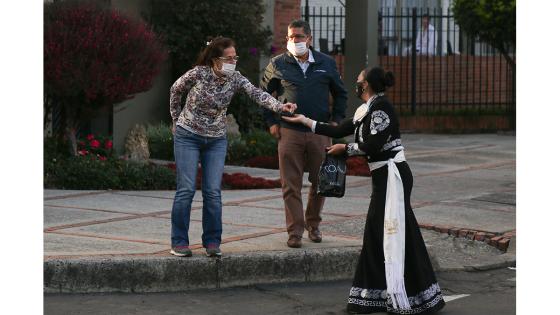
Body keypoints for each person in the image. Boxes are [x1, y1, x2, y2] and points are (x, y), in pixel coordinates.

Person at [282, 67, 445, 314]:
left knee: (388, 232)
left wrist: (344, 150)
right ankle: (397, 294)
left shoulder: (382, 108)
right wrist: (305, 121)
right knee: (393, 232)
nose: (355, 84)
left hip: (393, 176)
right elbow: (338, 129)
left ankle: (400, 295)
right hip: (383, 177)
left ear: (366, 84)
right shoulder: (367, 109)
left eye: (358, 81)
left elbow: (374, 145)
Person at [169, 37, 297, 257]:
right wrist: (175, 119)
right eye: (228, 58)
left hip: (216, 139)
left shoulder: (235, 78)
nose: (233, 61)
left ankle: (212, 242)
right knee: (187, 190)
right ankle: (179, 242)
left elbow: (257, 94)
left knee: (212, 192)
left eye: (234, 57)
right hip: (188, 135)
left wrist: (280, 107)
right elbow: (175, 89)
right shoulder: (199, 73)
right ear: (215, 60)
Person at [260, 20, 348, 248]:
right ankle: (295, 232)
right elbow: (263, 95)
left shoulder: (326, 63)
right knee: (291, 185)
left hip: (319, 131)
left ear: (309, 38)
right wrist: (271, 121)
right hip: (289, 132)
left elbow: (341, 94)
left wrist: (336, 122)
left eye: (298, 37)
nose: (294, 41)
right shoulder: (277, 63)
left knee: (321, 182)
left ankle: (313, 224)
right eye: (290, 37)